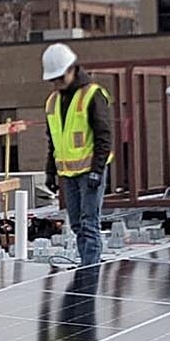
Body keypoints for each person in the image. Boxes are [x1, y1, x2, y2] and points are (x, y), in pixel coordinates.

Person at [41, 42, 112, 267]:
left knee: (89, 222)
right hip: (67, 173)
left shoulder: (92, 95)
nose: (57, 84)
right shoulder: (52, 102)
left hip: (90, 171)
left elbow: (104, 136)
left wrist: (97, 171)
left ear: (72, 69)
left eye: (60, 78)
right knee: (77, 224)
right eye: (53, 80)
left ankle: (90, 269)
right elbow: (53, 141)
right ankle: (86, 265)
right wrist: (50, 173)